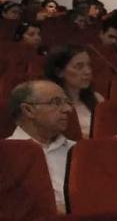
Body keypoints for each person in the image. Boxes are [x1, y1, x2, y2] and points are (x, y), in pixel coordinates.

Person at [8, 79, 77, 211]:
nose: (68, 109)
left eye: (67, 102)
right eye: (56, 102)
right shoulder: (5, 156)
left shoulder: (79, 151)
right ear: (28, 110)